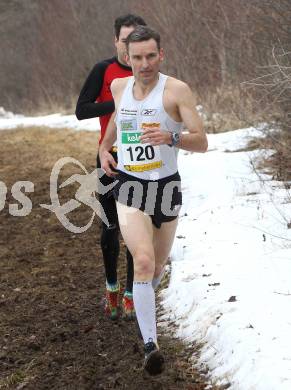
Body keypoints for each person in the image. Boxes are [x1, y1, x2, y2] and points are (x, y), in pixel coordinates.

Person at [99, 25, 208, 375]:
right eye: (137, 57)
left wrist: (171, 136)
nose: (144, 64)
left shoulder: (176, 90)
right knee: (143, 262)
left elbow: (202, 140)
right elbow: (117, 118)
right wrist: (103, 148)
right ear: (126, 58)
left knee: (156, 269)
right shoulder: (119, 86)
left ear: (160, 55)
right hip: (130, 186)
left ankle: (142, 299)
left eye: (150, 56)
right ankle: (151, 345)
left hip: (167, 188)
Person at [75, 14, 146, 320]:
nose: (130, 48)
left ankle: (131, 296)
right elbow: (81, 110)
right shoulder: (104, 70)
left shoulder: (148, 71)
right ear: (116, 40)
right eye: (125, 40)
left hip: (141, 161)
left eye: (136, 40)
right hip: (109, 157)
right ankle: (112, 289)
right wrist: (117, 105)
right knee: (110, 229)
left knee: (136, 230)